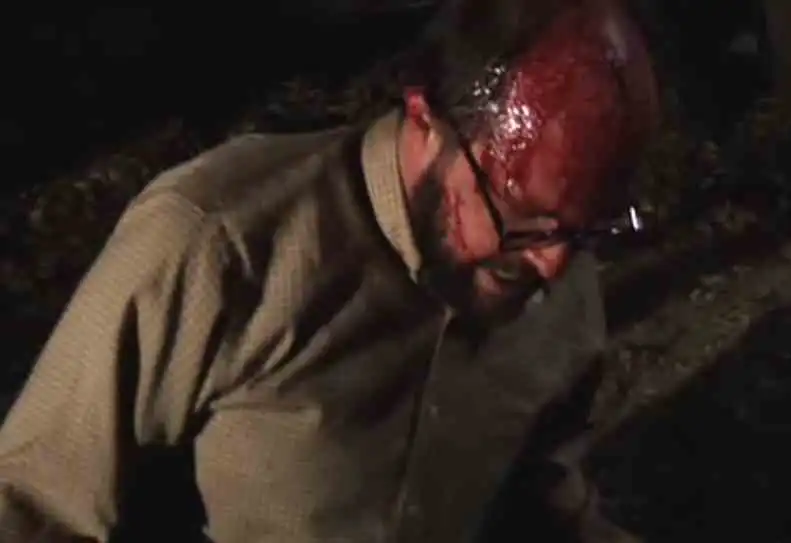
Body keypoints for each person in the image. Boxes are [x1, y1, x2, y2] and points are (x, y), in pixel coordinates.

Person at [0, 0, 659, 541]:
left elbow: (540, 499)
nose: (554, 264)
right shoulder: (217, 246)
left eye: (585, 229)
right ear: (425, 120)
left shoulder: (560, 285)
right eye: (523, 215)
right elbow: (31, 502)